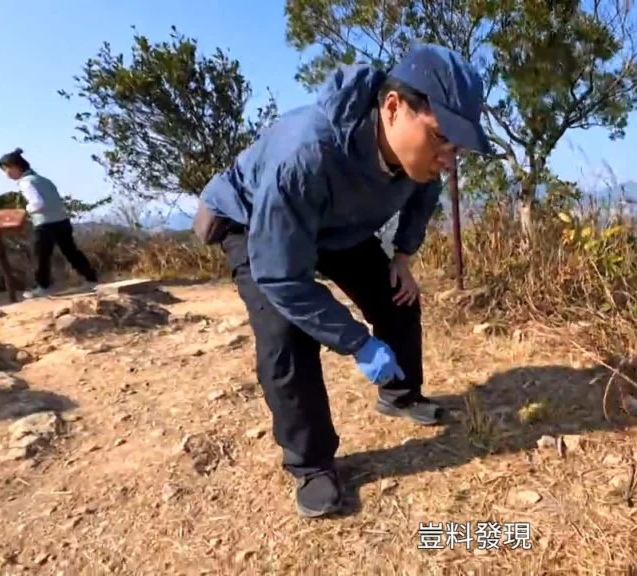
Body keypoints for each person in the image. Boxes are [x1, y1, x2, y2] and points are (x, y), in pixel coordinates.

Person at [197, 44, 494, 518]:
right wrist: (357, 342)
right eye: (440, 138)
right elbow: (282, 275)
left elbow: (424, 195)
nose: (448, 159)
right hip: (255, 219)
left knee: (397, 297)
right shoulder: (305, 155)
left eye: (455, 147)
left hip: (338, 225)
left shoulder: (423, 159)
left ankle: (400, 395)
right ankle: (311, 463)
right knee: (286, 334)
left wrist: (402, 256)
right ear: (393, 107)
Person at [0, 148, 99, 299]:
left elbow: (38, 203)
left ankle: (44, 286)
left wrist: (27, 209)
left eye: (6, 169)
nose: (6, 174)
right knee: (71, 252)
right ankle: (91, 279)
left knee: (41, 256)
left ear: (16, 167)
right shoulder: (43, 179)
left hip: (45, 224)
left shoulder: (26, 183)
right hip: (62, 220)